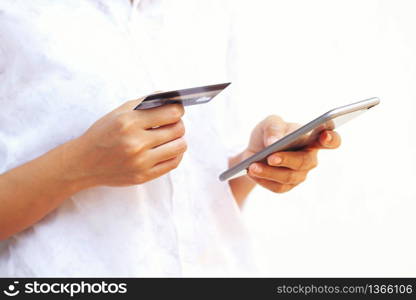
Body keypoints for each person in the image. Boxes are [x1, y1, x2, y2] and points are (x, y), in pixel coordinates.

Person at [0, 0, 340, 276]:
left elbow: (201, 209)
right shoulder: (14, 16)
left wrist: (251, 163)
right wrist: (78, 165)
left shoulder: (208, 13)